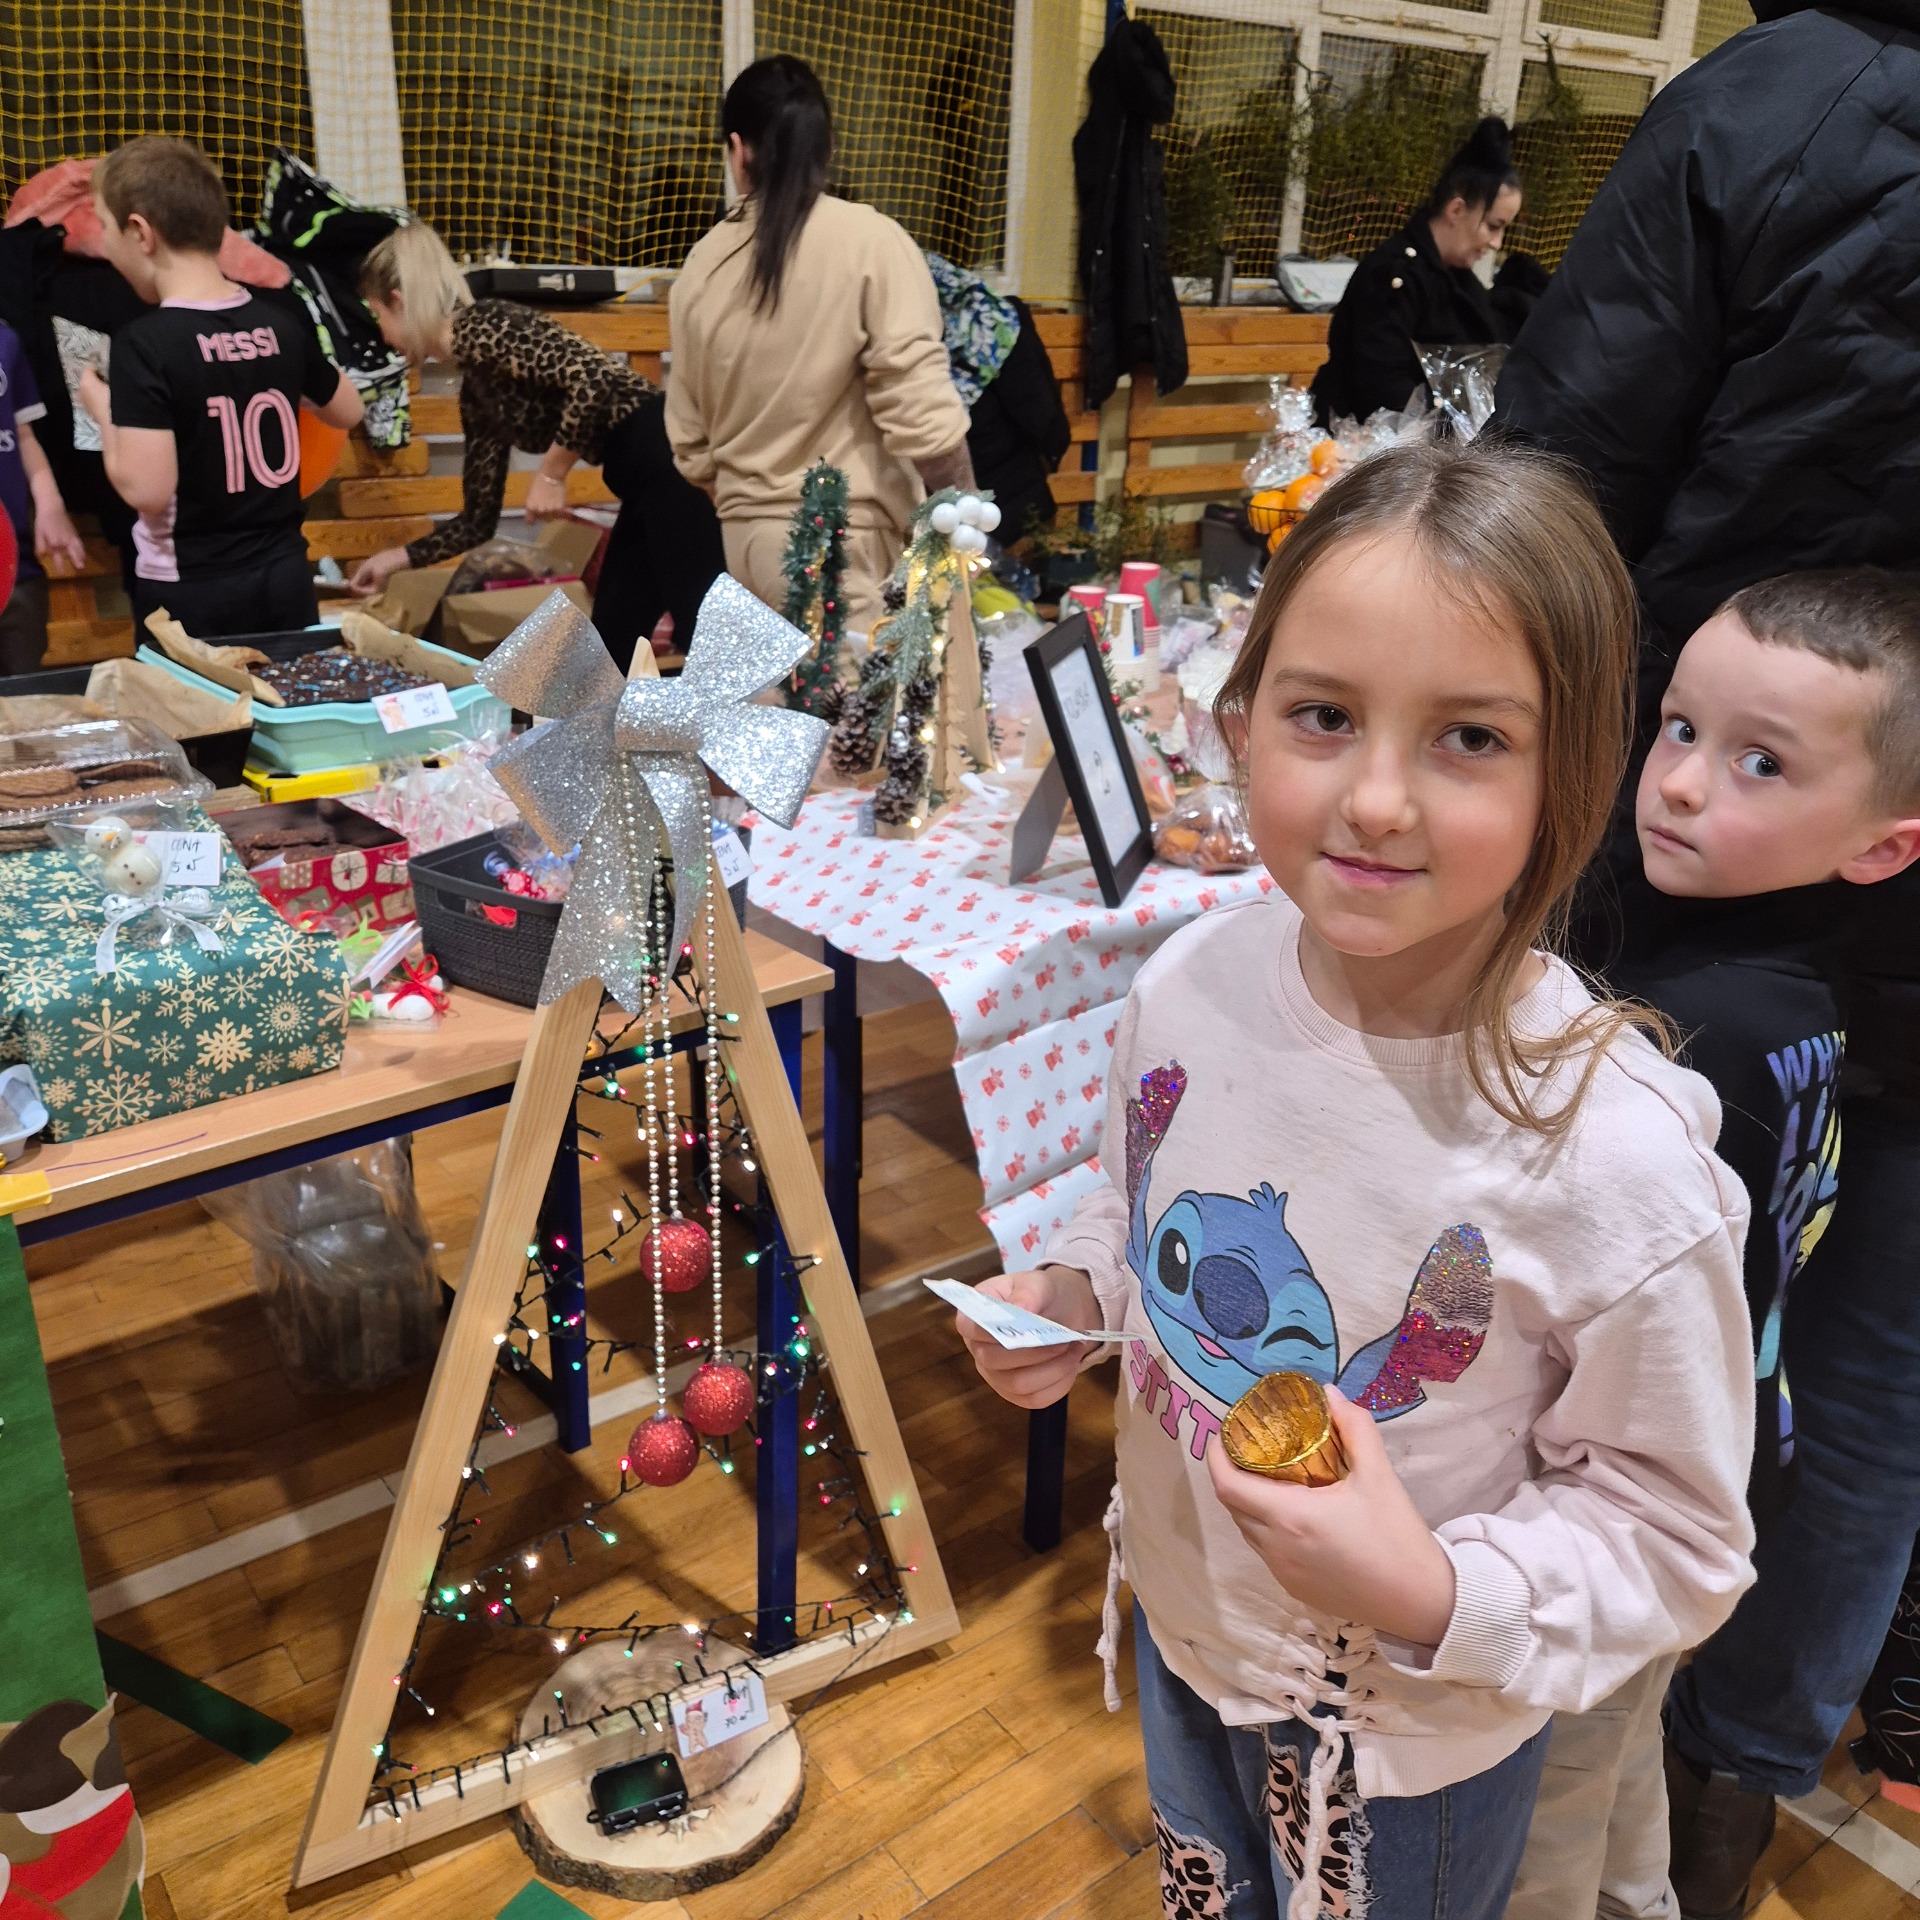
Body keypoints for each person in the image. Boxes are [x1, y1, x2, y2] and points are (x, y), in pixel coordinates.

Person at [956, 437, 1756, 1920]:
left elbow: (1678, 1533)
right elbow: (1136, 1194)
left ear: (1573, 772)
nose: (1378, 799)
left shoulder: (1619, 1157)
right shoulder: (1187, 986)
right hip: (1184, 1632)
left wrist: (1434, 1593)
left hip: (1410, 1735)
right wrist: (1078, 1289)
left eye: (1470, 738)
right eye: (1325, 716)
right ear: (1240, 722)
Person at [1493, 7, 1920, 1907]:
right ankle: (1719, 1797)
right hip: (1814, 876)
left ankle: (1608, 1766)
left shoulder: (1771, 100)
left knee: (1607, 1317)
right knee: (1866, 1372)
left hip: (1687, 911)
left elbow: (1554, 497)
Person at [1506, 571, 1920, 1920]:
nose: (1679, 784)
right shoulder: (1800, 982)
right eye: (1679, 728)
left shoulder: (1699, 1034)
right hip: (1728, 1442)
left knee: (1555, 1784)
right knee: (1620, 1758)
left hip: (1628, 1472)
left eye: (1760, 764)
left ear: (1882, 847)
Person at [666, 56, 973, 635]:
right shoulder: (871, 242)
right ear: (827, 147)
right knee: (855, 699)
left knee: (779, 698)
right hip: (839, 546)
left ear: (738, 151)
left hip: (745, 548)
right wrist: (968, 515)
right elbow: (923, 415)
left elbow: (690, 443)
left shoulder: (701, 266)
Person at [347, 225, 723, 671]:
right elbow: (477, 520)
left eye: (377, 317)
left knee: (705, 634)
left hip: (663, 455)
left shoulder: (485, 323)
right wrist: (395, 559)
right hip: (641, 474)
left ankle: (765, 710)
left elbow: (593, 379)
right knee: (612, 639)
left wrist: (551, 474)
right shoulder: (476, 391)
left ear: (398, 302)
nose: (382, 338)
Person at [74, 137, 363, 639]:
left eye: (104, 226)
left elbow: (148, 490)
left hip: (192, 591)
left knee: (194, 698)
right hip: (285, 580)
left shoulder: (145, 344)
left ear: (140, 233)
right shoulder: (280, 325)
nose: (103, 243)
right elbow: (348, 410)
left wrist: (103, 409)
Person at [1311, 118, 1544, 429]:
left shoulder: (1458, 279)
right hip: (1360, 441)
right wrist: (1452, 430)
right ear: (1456, 210)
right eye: (1493, 226)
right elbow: (1380, 388)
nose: (1496, 243)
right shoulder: (1393, 275)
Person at [0, 315, 87, 673]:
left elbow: (23, 435)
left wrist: (51, 504)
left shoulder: (6, 339)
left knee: (24, 688)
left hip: (15, 567)